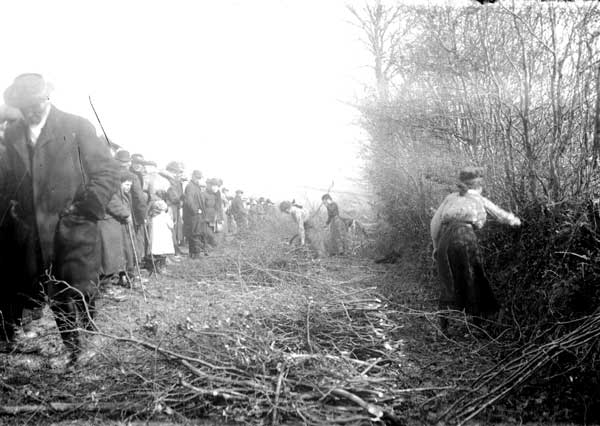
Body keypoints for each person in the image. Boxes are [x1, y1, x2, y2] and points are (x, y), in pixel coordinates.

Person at [0, 73, 120, 359]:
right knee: (55, 289)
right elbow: (9, 180)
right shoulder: (14, 133)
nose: (29, 111)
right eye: (23, 105)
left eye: (33, 104)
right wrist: (14, 209)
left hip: (74, 223)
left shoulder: (75, 126)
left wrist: (88, 207)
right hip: (34, 230)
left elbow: (107, 171)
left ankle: (90, 334)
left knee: (80, 285)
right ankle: (73, 348)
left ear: (46, 99)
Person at [430, 167, 521, 332]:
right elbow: (500, 215)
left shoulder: (450, 198)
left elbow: (434, 224)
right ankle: (476, 324)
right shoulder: (478, 198)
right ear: (478, 185)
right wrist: (516, 222)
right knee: (474, 277)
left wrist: (436, 247)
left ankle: (444, 327)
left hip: (446, 240)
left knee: (448, 279)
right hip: (465, 238)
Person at [148, 199, 174, 272]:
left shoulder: (153, 216)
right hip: (164, 238)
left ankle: (156, 266)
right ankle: (162, 268)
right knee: (163, 253)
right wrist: (171, 217)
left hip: (156, 239)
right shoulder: (165, 216)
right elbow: (171, 225)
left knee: (157, 253)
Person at [183, 170, 204, 258]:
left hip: (196, 214)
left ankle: (193, 254)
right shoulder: (190, 186)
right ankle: (195, 254)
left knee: (196, 233)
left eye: (199, 178)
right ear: (192, 176)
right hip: (192, 215)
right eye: (196, 177)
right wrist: (196, 210)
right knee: (194, 233)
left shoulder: (196, 186)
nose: (197, 179)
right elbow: (189, 201)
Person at [199, 178, 225, 253]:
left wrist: (221, 218)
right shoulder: (204, 194)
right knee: (207, 233)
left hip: (214, 217)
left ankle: (211, 247)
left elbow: (219, 206)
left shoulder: (217, 193)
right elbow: (202, 206)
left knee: (215, 233)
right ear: (209, 185)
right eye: (213, 185)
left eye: (216, 185)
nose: (215, 187)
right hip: (206, 217)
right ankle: (205, 247)